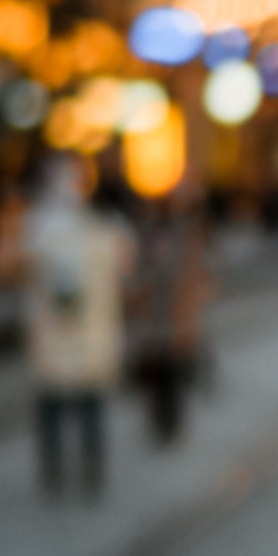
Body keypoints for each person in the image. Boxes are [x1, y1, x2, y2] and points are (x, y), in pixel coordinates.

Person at [19, 159, 133, 499]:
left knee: (66, 405)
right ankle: (85, 470)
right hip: (79, 340)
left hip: (68, 340)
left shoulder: (40, 226)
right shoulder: (104, 227)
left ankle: (63, 472)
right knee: (83, 406)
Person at [129, 190, 212, 444]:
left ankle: (171, 422)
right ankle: (160, 422)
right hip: (154, 321)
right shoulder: (144, 239)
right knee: (157, 375)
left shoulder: (184, 238)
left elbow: (196, 277)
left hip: (174, 321)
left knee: (174, 375)